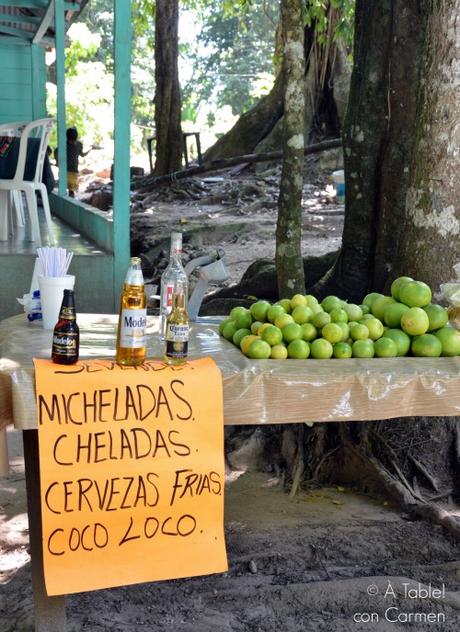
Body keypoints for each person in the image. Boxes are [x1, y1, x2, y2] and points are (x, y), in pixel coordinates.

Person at [54, 127, 92, 198]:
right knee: (63, 188)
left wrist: (90, 149)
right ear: (67, 138)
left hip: (74, 170)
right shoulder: (63, 145)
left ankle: (71, 197)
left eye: (74, 141)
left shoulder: (79, 145)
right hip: (64, 170)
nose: (73, 142)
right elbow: (56, 151)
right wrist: (57, 162)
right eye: (71, 141)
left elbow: (82, 154)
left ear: (76, 138)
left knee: (72, 189)